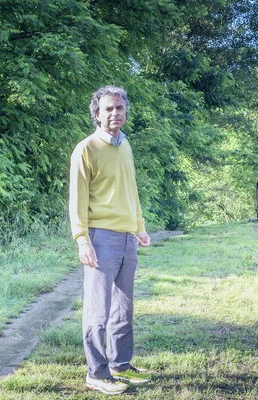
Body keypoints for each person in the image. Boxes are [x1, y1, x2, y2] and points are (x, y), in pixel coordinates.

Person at [69, 85, 152, 395]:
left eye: (119, 107)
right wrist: (82, 240)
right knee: (97, 311)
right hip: (100, 237)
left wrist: (139, 226)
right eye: (108, 109)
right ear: (97, 114)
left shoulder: (125, 145)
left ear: (125, 111)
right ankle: (96, 372)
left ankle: (120, 364)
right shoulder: (86, 149)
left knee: (123, 308)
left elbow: (130, 190)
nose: (114, 113)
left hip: (127, 237)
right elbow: (76, 201)